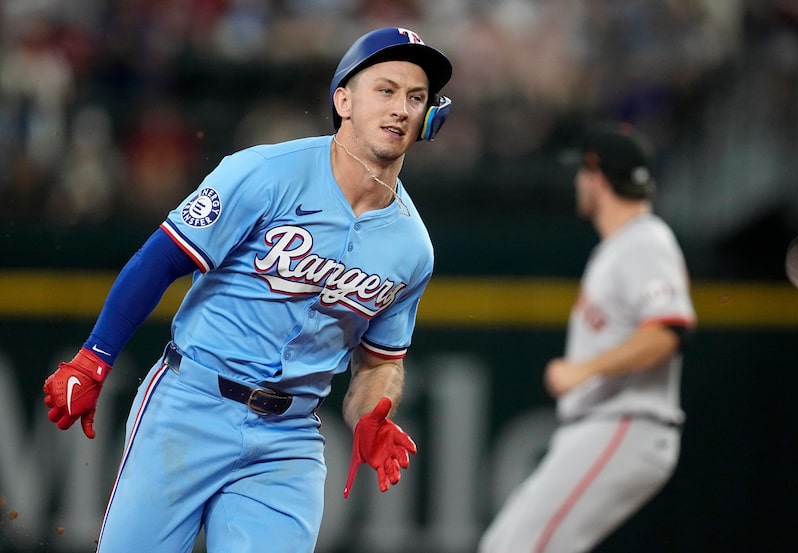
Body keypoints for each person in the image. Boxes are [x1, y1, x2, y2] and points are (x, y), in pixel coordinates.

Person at [41, 26, 453, 553]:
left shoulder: (412, 246)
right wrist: (94, 359)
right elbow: (161, 259)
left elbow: (379, 363)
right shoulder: (265, 172)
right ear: (343, 100)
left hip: (288, 439)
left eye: (416, 98)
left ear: (429, 118)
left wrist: (375, 413)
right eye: (386, 89)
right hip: (191, 406)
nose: (401, 108)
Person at [479, 123, 697, 553]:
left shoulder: (644, 240)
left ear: (597, 178)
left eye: (582, 173)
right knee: (503, 544)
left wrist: (584, 370)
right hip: (603, 424)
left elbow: (670, 331)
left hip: (626, 420)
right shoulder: (622, 246)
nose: (578, 182)